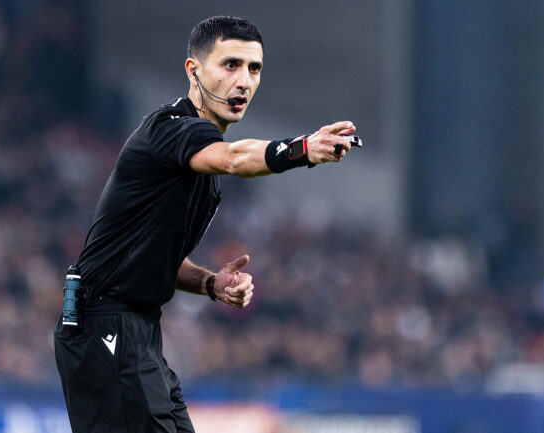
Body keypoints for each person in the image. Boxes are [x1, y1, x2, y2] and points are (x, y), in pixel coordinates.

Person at [54, 15, 356, 433]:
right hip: (104, 323)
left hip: (136, 329)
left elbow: (157, 257)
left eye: (254, 69)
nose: (244, 81)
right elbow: (236, 158)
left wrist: (211, 284)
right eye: (230, 64)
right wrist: (302, 148)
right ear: (193, 71)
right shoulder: (170, 129)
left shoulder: (199, 167)